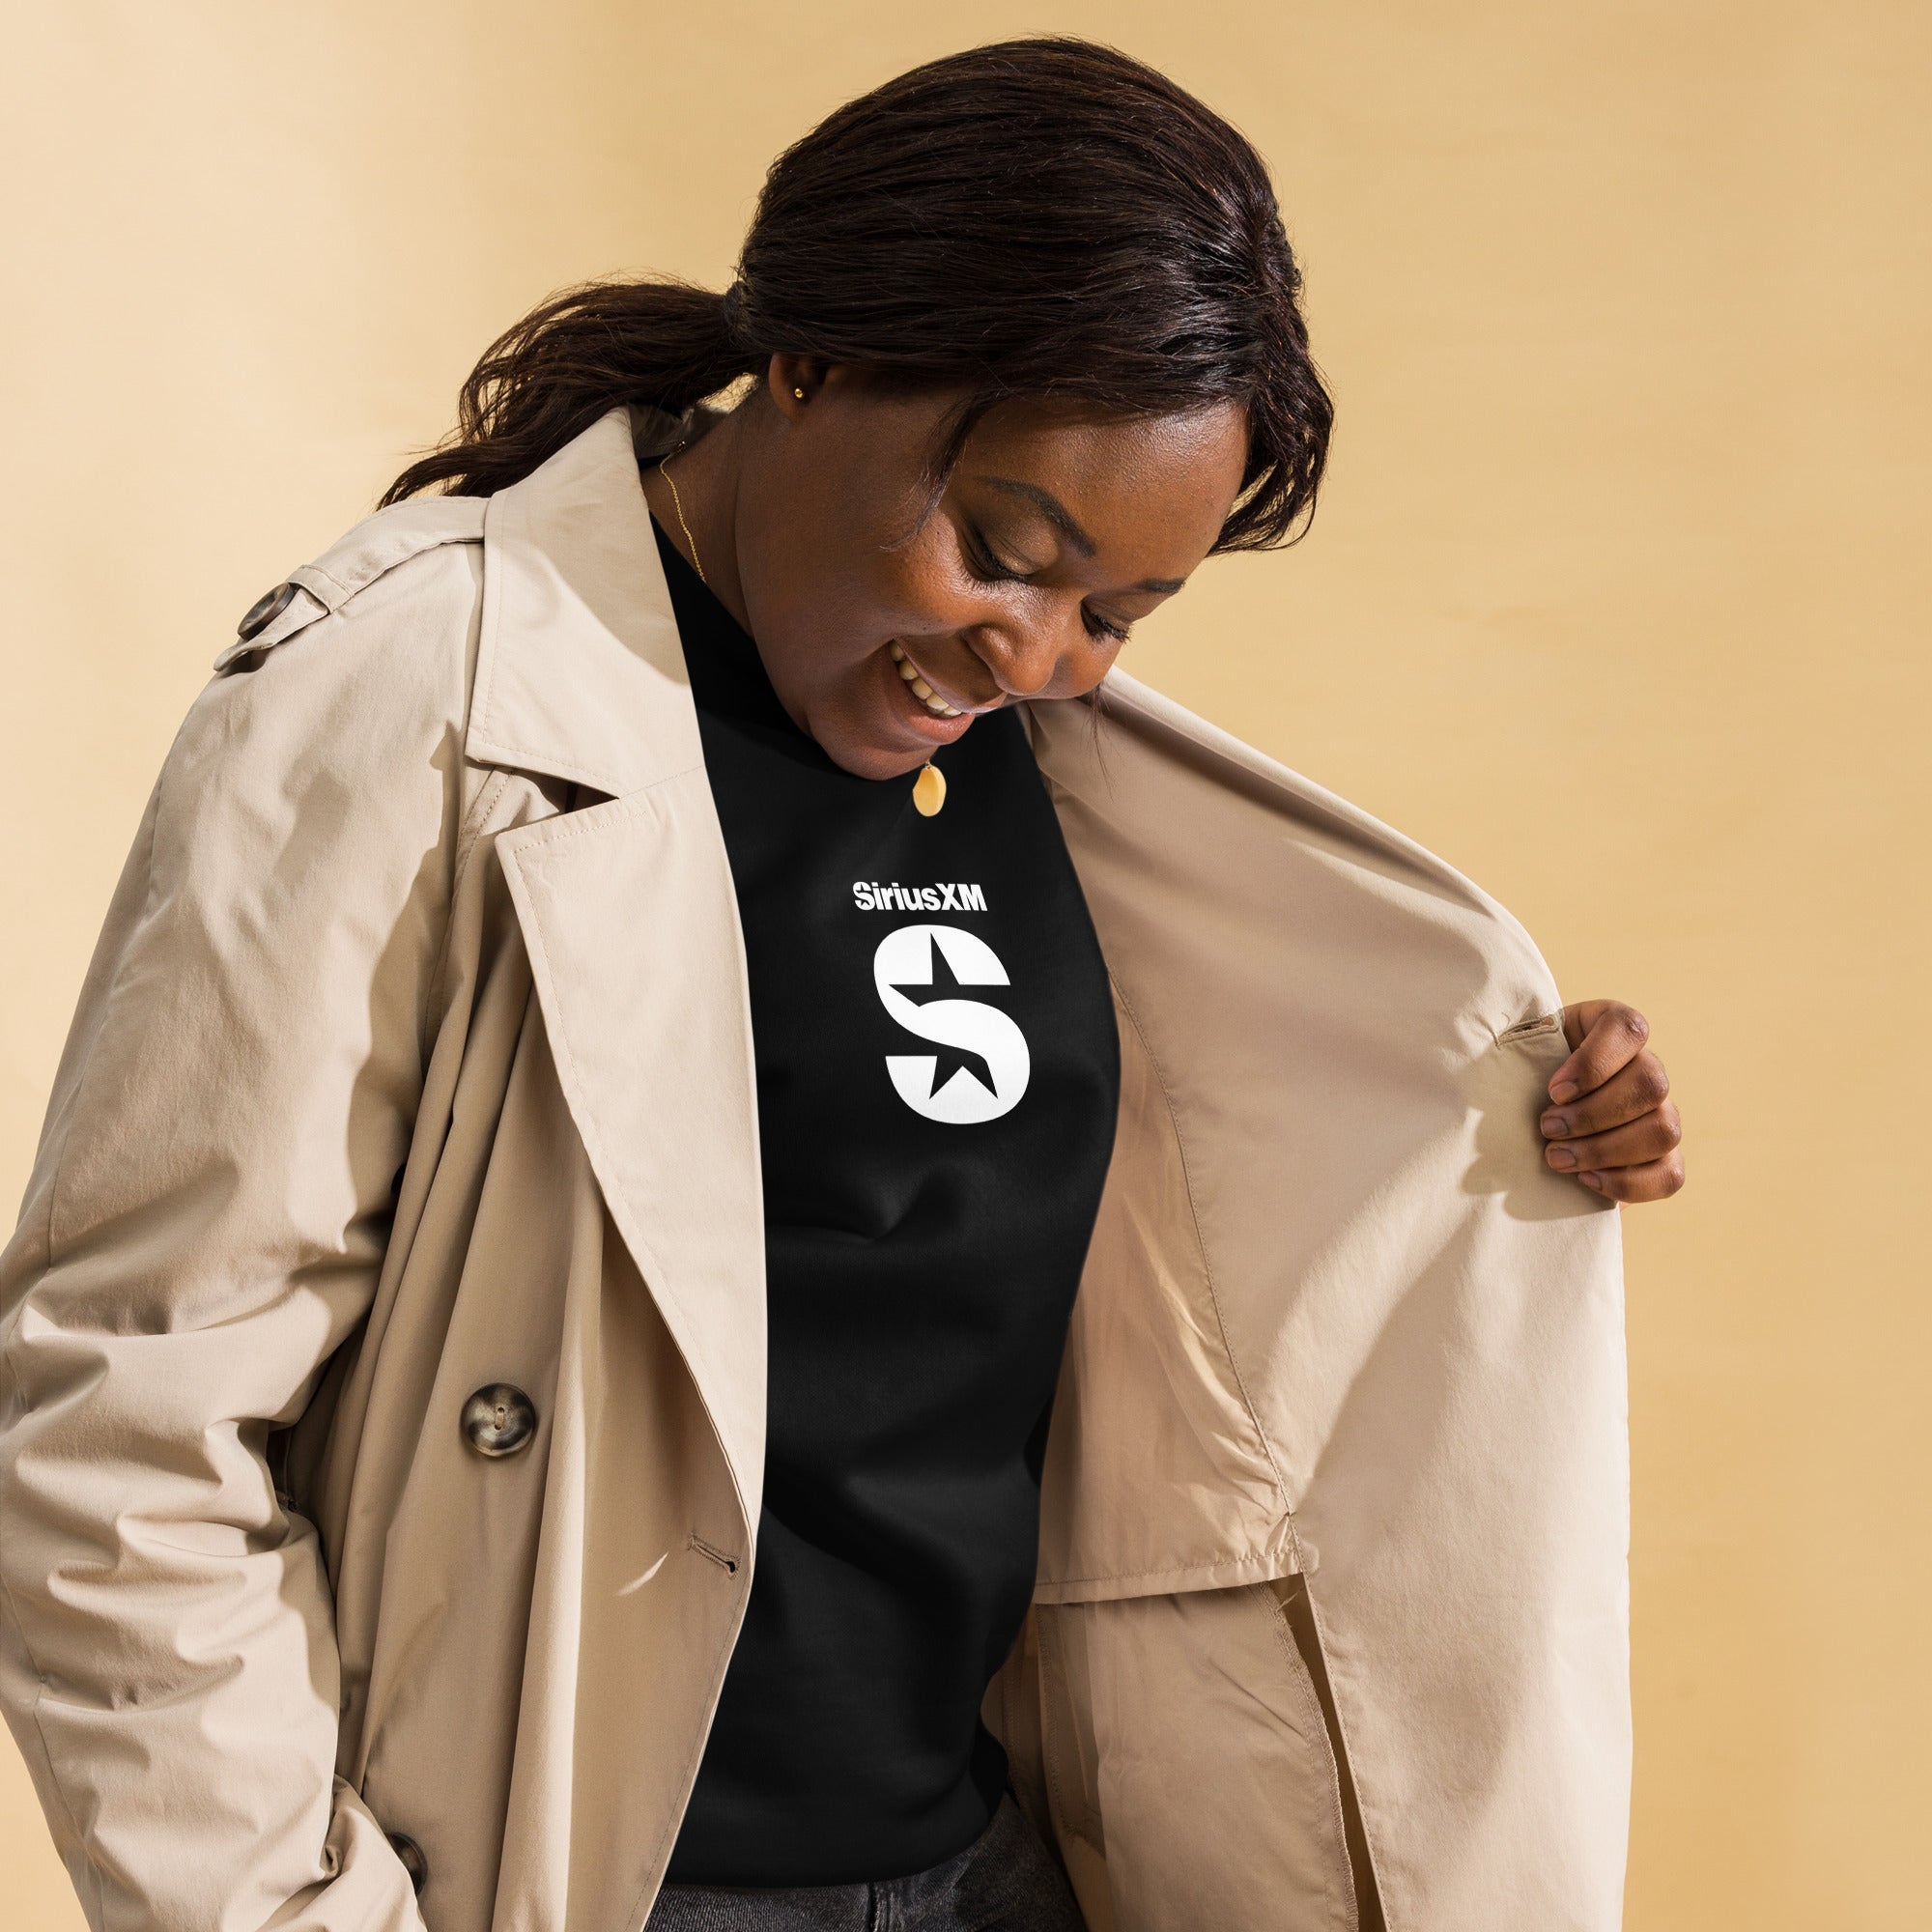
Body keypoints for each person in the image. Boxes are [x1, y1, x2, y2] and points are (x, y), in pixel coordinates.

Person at [0, 37, 1680, 1932]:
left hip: (988, 1866)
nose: (1034, 650)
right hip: (589, 1880)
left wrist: (1494, 1097)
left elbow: (1185, 1243)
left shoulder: (1045, 769)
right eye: (1006, 548)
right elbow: (119, 1429)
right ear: (814, 361)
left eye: (1117, 613)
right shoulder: (414, 701)